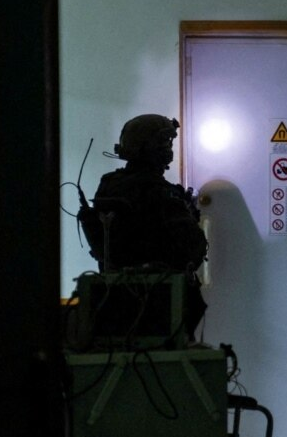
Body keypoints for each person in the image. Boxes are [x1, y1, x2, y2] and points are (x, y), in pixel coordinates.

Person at [79, 114, 208, 341]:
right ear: (151, 147)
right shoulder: (159, 191)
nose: (169, 149)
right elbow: (192, 249)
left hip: (115, 302)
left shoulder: (109, 184)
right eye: (165, 142)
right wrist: (190, 214)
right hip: (161, 301)